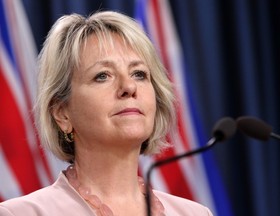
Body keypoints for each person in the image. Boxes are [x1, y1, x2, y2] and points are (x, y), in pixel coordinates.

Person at [0, 11, 213, 216]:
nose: (129, 87)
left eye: (139, 74)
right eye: (103, 76)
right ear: (62, 114)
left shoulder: (195, 213)